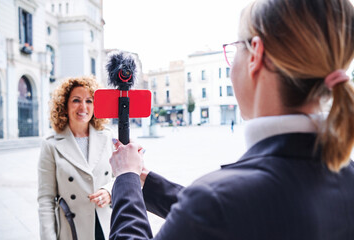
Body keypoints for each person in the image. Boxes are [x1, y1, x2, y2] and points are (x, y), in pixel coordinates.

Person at [109, 0, 354, 239]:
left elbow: (222, 210)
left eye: (236, 47)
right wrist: (147, 181)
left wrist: (126, 178)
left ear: (255, 54)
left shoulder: (215, 201)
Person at [38, 76, 115, 240]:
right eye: (76, 100)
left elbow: (121, 177)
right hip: (71, 229)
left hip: (106, 225)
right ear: (64, 106)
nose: (83, 107)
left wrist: (109, 191)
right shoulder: (51, 144)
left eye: (89, 101)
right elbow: (46, 198)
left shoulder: (107, 137)